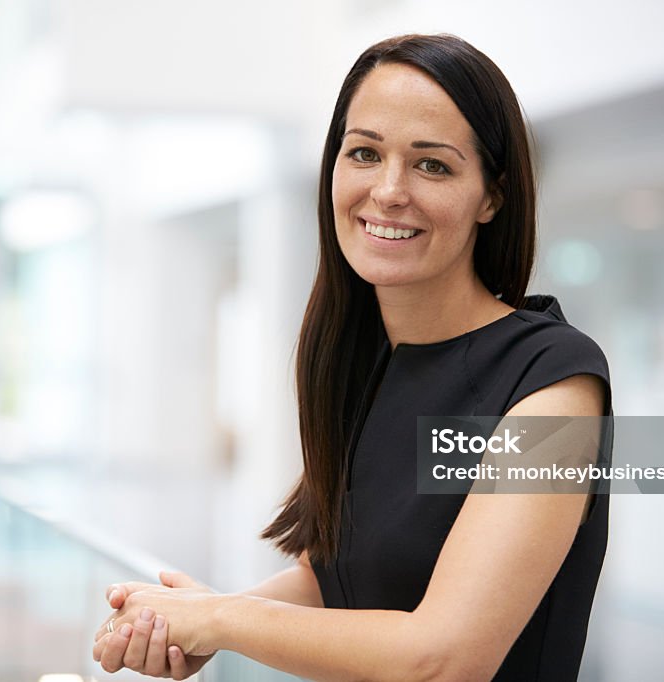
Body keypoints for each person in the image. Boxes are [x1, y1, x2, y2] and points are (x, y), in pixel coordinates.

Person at [92, 33, 612, 681]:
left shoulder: (554, 384)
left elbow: (446, 658)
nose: (389, 190)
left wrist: (224, 620)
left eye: (432, 165)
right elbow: (335, 577)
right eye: (364, 152)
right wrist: (193, 618)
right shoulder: (364, 362)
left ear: (491, 196)